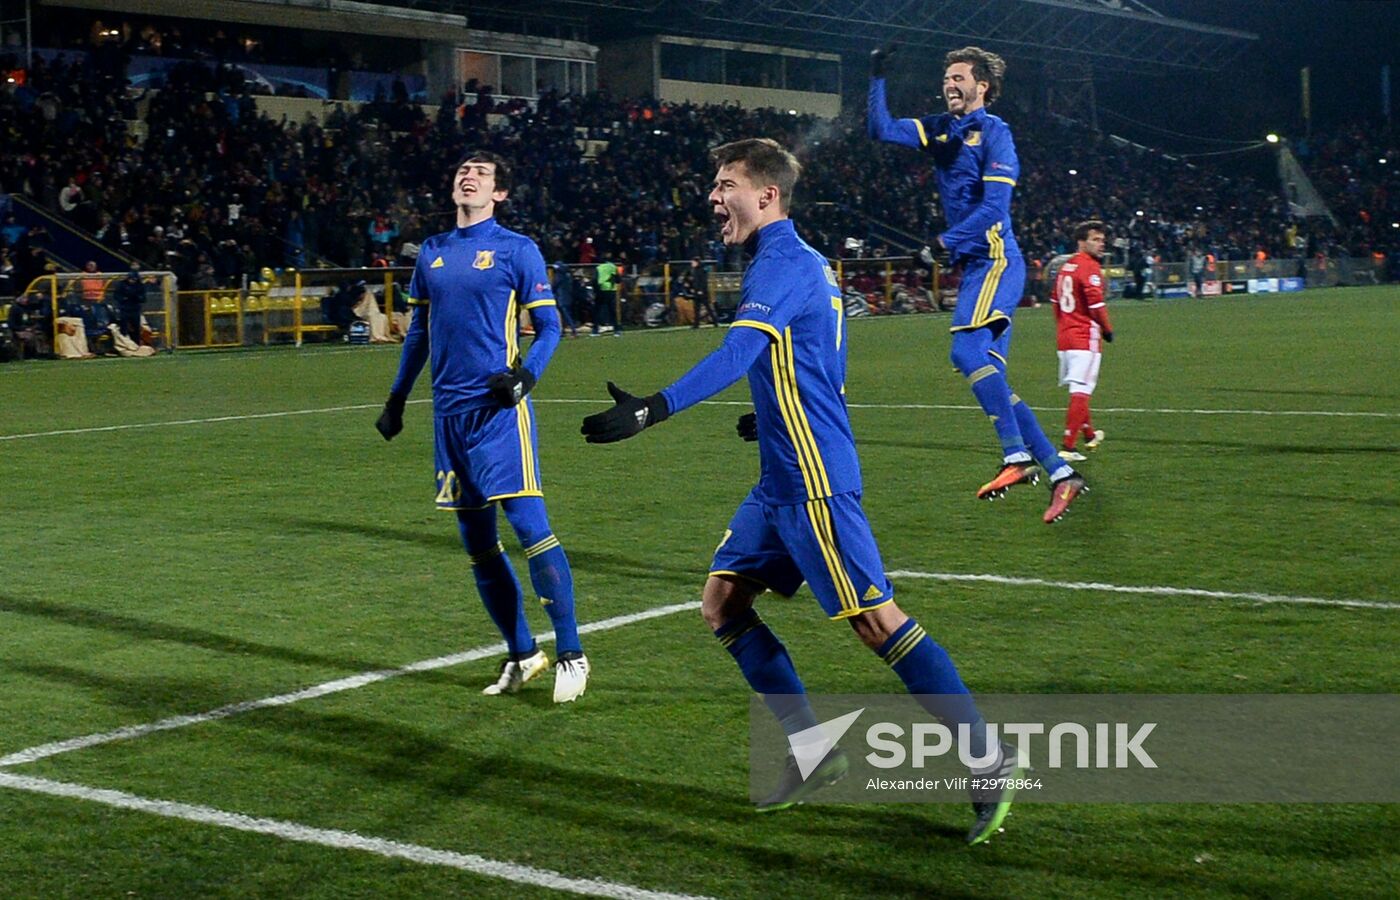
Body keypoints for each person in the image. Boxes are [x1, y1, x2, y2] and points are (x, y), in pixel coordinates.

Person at [580, 138, 1022, 845]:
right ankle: (814, 752)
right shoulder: (807, 264)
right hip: (781, 475)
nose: (714, 197)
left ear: (767, 195)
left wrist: (652, 408)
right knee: (722, 603)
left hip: (813, 478)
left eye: (725, 184)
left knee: (875, 622)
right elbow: (822, 364)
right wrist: (773, 413)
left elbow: (737, 353)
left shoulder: (783, 262)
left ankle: (988, 760)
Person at [374, 150, 588, 703]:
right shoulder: (432, 252)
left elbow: (549, 328)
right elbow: (418, 332)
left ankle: (572, 653)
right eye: (462, 172)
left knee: (530, 527)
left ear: (499, 194)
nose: (468, 177)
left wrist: (525, 379)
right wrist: (397, 399)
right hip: (447, 419)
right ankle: (523, 653)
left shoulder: (518, 250)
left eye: (482, 174)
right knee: (477, 545)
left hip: (497, 414)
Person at [868, 44, 1086, 523]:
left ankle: (1016, 457)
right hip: (975, 266)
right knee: (989, 372)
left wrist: (942, 243)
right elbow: (881, 129)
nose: (949, 84)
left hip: (994, 259)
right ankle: (1061, 472)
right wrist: (877, 76)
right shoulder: (942, 128)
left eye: (959, 77)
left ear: (982, 85)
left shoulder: (995, 133)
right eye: (946, 77)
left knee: (964, 353)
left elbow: (994, 210)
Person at [1053, 221, 1114, 460]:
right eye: (1095, 240)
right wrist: (1107, 330)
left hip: (1066, 338)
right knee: (1082, 390)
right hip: (1084, 338)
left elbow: (1056, 302)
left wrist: (1063, 327)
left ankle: (1089, 435)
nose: (1101, 244)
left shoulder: (1066, 266)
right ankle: (1068, 447)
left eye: (1102, 240)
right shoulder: (1089, 267)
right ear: (1081, 242)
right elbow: (1096, 305)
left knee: (1079, 388)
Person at [677, 257, 718, 328]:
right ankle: (696, 324)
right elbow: (695, 281)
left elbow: (703, 282)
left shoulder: (702, 271)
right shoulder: (694, 271)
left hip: (702, 293)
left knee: (707, 307)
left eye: (693, 262)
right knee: (696, 308)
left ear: (697, 262)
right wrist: (692, 288)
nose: (692, 264)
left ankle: (715, 322)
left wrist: (701, 290)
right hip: (696, 292)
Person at [112, 264, 145, 345]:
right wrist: (124, 298)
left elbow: (143, 298)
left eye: (134, 279)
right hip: (124, 309)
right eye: (131, 279)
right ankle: (124, 344)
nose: (132, 281)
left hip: (135, 309)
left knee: (136, 328)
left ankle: (136, 344)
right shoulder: (122, 284)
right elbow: (116, 296)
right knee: (123, 328)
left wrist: (137, 297)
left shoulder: (139, 285)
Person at [594, 256, 618, 335]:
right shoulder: (613, 267)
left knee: (598, 310)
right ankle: (616, 330)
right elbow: (617, 278)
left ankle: (595, 330)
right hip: (612, 290)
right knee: (612, 311)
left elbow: (595, 280)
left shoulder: (599, 268)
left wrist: (595, 290)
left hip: (601, 290)